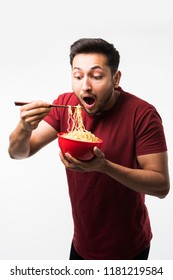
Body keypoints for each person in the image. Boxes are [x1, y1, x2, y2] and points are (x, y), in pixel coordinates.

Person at [8, 38, 170, 260]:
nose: (85, 85)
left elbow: (161, 186)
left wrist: (105, 167)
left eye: (96, 76)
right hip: (82, 244)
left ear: (115, 78)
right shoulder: (65, 105)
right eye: (77, 76)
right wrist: (24, 127)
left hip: (129, 248)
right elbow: (18, 153)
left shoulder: (142, 114)